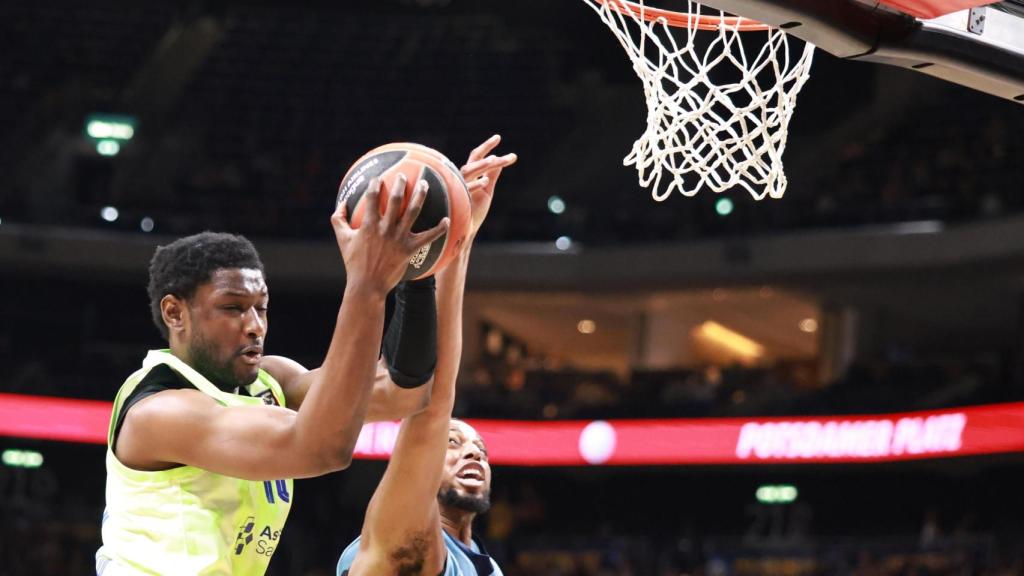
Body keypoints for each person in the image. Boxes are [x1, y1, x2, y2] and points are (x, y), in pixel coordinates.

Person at [96, 168, 452, 575]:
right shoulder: (159, 412)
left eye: (260, 308)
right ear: (175, 313)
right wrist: (367, 284)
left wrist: (418, 272)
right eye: (232, 308)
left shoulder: (271, 380)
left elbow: (401, 391)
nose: (254, 326)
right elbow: (321, 448)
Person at [336, 135, 516, 576]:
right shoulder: (404, 544)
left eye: (480, 449)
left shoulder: (486, 565)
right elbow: (434, 404)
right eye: (452, 444)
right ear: (417, 459)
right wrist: (455, 240)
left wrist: (461, 236)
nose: (473, 454)